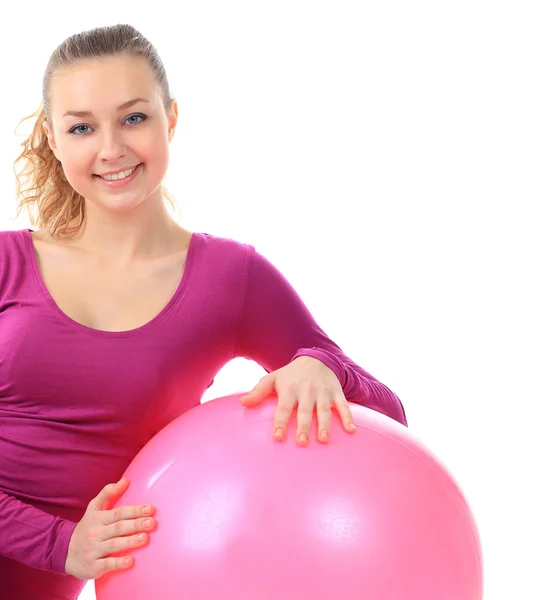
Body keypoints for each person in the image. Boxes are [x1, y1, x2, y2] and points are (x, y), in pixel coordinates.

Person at [0, 23, 407, 600]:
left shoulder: (231, 279)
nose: (111, 148)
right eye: (82, 127)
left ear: (170, 118)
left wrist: (324, 367)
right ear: (53, 138)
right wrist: (58, 543)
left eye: (134, 118)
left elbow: (388, 421)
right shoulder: (4, 262)